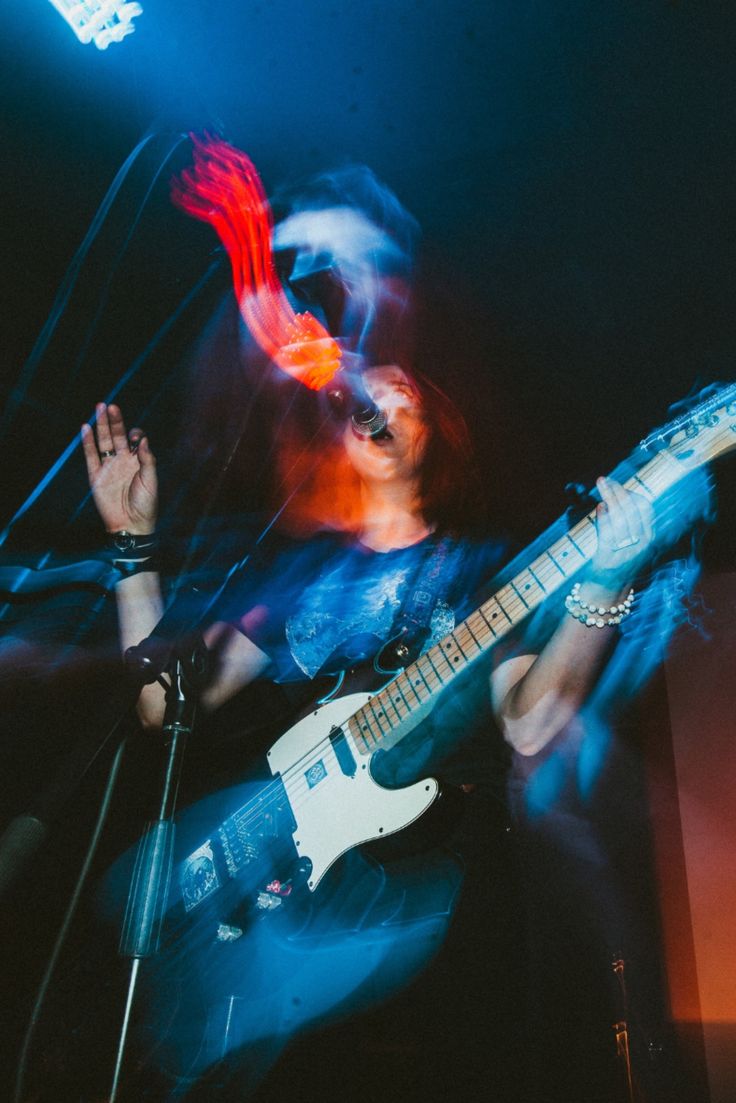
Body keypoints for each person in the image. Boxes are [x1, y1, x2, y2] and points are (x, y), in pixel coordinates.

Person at [79, 354, 654, 1101]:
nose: (372, 400)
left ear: (435, 432)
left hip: (416, 915)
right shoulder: (300, 571)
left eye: (400, 393)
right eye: (362, 393)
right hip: (286, 903)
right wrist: (133, 548)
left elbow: (531, 719)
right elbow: (167, 704)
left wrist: (605, 581)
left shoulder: (484, 575)